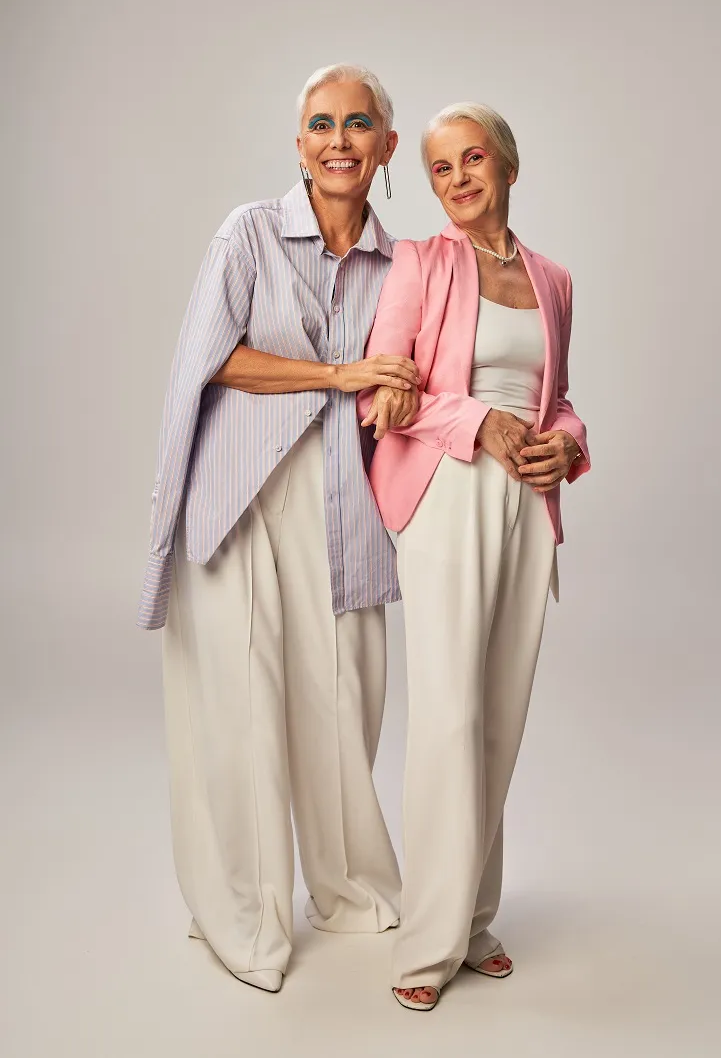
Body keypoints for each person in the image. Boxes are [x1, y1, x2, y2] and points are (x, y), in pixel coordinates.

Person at [137, 64, 417, 992]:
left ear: (383, 144)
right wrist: (340, 375)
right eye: (321, 123)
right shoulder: (249, 233)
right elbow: (213, 361)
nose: (339, 139)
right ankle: (242, 915)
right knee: (244, 713)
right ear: (299, 144)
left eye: (359, 123)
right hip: (239, 504)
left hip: (345, 513)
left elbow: (419, 382)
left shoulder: (401, 263)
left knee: (344, 704)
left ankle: (349, 890)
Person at [358, 103, 590, 1010]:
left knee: (498, 715)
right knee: (449, 714)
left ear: (507, 166)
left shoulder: (556, 279)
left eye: (472, 160)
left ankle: (474, 919)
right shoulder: (423, 263)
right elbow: (387, 388)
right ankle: (426, 944)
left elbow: (560, 400)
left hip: (527, 503)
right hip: (449, 490)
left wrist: (567, 445)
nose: (456, 179)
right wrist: (478, 423)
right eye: (439, 168)